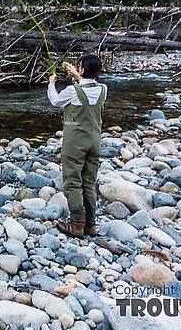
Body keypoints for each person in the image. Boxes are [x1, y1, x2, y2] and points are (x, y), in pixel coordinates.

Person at [47, 55, 106, 238]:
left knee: (73, 183)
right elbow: (88, 88)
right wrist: (76, 74)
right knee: (88, 183)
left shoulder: (72, 91)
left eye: (78, 66)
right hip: (94, 142)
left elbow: (56, 101)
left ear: (82, 70)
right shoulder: (104, 89)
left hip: (75, 143)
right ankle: (90, 225)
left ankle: (77, 225)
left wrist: (51, 84)